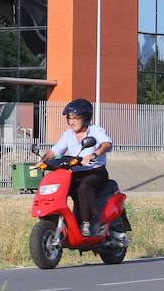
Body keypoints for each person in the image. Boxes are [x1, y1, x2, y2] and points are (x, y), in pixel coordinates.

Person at [39, 98, 113, 237]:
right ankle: (56, 220)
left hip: (96, 172)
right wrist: (42, 161)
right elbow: (54, 151)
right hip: (75, 172)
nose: (71, 122)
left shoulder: (95, 130)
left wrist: (94, 154)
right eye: (69, 118)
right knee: (59, 187)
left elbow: (106, 144)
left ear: (85, 119)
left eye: (75, 118)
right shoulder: (68, 135)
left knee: (84, 187)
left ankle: (88, 222)